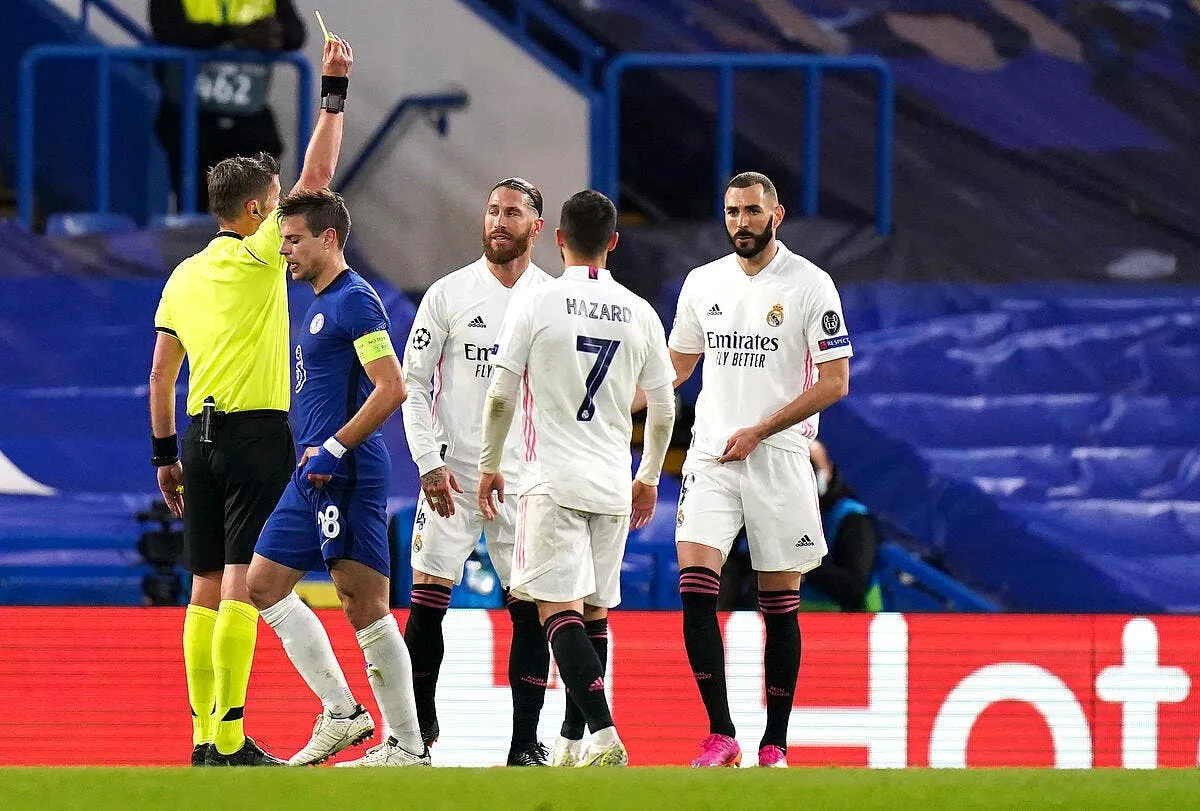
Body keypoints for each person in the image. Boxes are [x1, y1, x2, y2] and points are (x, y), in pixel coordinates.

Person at [148, 35, 353, 767]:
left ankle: (202, 736)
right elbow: (320, 173)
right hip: (255, 432)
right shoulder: (264, 249)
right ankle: (232, 739)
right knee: (240, 581)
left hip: (195, 440)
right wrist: (333, 90)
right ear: (263, 207)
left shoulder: (183, 274)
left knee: (201, 583)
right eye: (277, 205)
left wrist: (165, 456)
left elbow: (161, 374)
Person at [476, 190, 677, 768]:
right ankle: (569, 744)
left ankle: (606, 734)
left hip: (550, 480)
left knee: (553, 610)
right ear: (613, 242)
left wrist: (490, 464)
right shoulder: (639, 311)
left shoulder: (537, 303)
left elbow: (499, 395)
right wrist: (648, 477)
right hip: (614, 483)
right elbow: (664, 408)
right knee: (593, 613)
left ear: (559, 239)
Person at [663, 171, 852, 768]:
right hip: (713, 456)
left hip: (780, 457)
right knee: (696, 584)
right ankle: (721, 733)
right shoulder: (703, 283)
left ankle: (775, 742)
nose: (740, 223)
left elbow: (835, 383)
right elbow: (676, 367)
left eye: (751, 211)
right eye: (731, 212)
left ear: (778, 215)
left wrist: (763, 429)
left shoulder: (810, 285)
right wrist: (608, 402)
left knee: (779, 603)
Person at [245, 189, 430, 768]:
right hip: (312, 472)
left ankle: (406, 745)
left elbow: (391, 387)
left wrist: (332, 447)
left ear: (329, 238)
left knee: (364, 603)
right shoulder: (318, 300)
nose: (286, 251)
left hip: (344, 470)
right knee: (263, 583)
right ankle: (343, 714)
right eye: (282, 241)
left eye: (294, 240)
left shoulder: (356, 301)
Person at [399, 178, 555, 765]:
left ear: (536, 227)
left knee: (530, 610)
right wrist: (427, 462)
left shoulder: (553, 300)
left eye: (511, 213)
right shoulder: (448, 294)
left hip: (522, 482)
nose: (498, 221)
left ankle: (524, 745)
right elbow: (413, 384)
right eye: (491, 210)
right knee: (427, 601)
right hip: (454, 478)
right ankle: (417, 736)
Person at [149, 0, 306, 212]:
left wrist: (273, 34)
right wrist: (236, 32)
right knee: (195, 208)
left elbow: (295, 33)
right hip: (192, 120)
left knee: (254, 211)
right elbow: (170, 30)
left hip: (248, 118)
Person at [801, 440, 882, 612]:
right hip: (798, 626)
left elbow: (854, 587)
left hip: (848, 629)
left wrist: (801, 563)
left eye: (812, 466)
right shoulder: (778, 517)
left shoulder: (852, 519)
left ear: (828, 469)